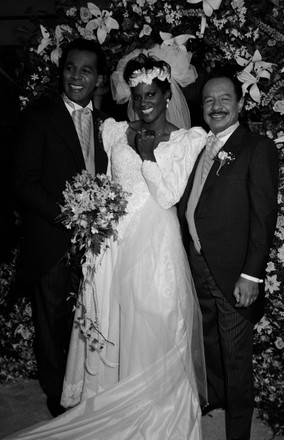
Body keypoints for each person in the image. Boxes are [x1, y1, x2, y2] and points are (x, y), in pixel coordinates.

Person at [6, 52, 208, 440]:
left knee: (155, 317)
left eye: (152, 93)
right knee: (109, 316)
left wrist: (148, 155)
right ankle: (107, 393)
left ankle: (153, 397)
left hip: (155, 241)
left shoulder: (188, 139)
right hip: (112, 241)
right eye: (138, 94)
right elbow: (98, 177)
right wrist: (91, 213)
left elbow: (168, 195)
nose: (144, 101)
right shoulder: (114, 131)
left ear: (169, 96)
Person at [178, 73, 279, 440]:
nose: (216, 106)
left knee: (237, 359)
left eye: (224, 99)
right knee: (210, 345)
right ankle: (216, 399)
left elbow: (263, 216)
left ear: (240, 104)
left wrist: (251, 275)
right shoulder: (198, 146)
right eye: (208, 100)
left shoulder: (257, 147)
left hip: (233, 271)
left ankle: (237, 433)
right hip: (197, 264)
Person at [13, 38, 109, 418]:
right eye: (70, 68)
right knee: (51, 320)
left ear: (99, 79)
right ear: (61, 71)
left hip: (96, 241)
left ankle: (84, 385)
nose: (76, 76)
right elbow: (22, 183)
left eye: (86, 70)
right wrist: (70, 217)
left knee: (90, 316)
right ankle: (57, 397)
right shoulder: (39, 117)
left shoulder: (106, 123)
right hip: (51, 238)